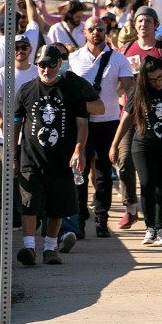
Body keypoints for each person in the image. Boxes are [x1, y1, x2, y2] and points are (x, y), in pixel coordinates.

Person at [13, 44, 89, 266]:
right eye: (42, 65)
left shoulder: (72, 91)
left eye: (51, 65)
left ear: (59, 64)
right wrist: (12, 155)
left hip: (61, 158)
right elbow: (16, 124)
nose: (46, 70)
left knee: (57, 206)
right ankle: (29, 248)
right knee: (29, 203)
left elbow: (83, 124)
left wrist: (78, 150)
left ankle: (50, 248)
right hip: (31, 157)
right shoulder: (26, 90)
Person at [116, 6, 162, 229]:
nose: (143, 24)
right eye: (139, 21)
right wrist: (126, 94)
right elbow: (116, 83)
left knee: (156, 177)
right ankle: (131, 208)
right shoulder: (125, 50)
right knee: (124, 161)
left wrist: (152, 87)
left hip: (160, 118)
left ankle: (156, 222)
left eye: (147, 21)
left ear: (156, 25)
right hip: (131, 115)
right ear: (134, 25)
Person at [111, 56, 162, 247]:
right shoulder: (138, 92)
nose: (158, 82)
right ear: (145, 79)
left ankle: (161, 228)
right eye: (153, 80)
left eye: (160, 77)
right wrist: (114, 144)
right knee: (147, 183)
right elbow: (126, 120)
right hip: (143, 144)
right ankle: (150, 228)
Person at [68, 16, 134, 237]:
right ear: (84, 33)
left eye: (100, 29)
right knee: (80, 172)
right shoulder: (74, 58)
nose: (96, 32)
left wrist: (127, 94)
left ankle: (101, 219)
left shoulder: (118, 59)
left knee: (105, 173)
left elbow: (129, 88)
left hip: (108, 123)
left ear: (106, 32)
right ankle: (79, 219)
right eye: (91, 29)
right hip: (80, 123)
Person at [0, 35, 41, 204]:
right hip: (8, 136)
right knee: (11, 175)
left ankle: (30, 212)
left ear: (30, 50)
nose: (20, 51)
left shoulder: (38, 72)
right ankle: (14, 216)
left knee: (32, 175)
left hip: (32, 135)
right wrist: (3, 124)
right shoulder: (1, 74)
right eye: (16, 48)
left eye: (24, 47)